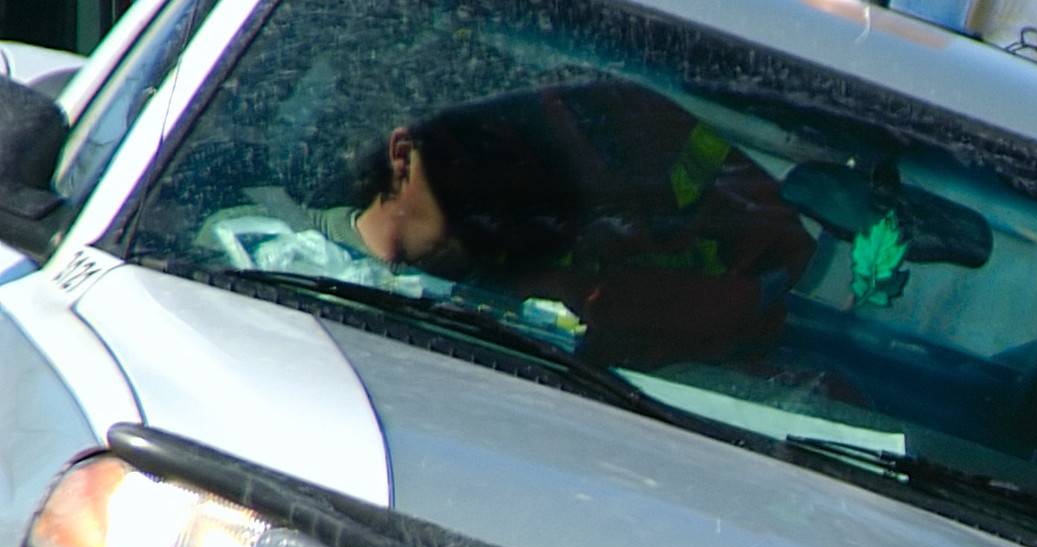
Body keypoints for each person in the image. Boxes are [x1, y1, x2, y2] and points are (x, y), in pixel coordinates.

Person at [225, 78, 813, 368]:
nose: (495, 189)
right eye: (474, 160)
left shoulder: (544, 325)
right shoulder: (253, 251)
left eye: (518, 171)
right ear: (403, 157)